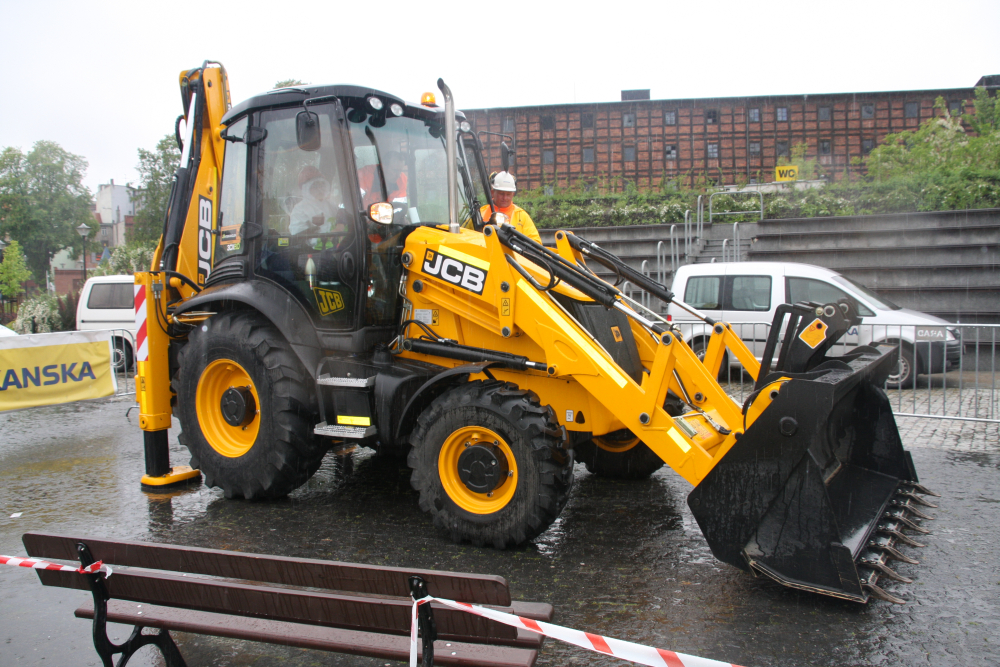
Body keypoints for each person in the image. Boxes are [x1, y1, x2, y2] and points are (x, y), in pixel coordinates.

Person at [478, 171, 540, 242]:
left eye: (508, 194)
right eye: (501, 194)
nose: (505, 198)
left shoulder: (521, 216)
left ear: (513, 194)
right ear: (492, 193)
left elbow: (536, 242)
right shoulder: (481, 213)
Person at [289, 165, 339, 236]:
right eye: (315, 185)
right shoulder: (299, 209)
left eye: (322, 184)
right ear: (306, 188)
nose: (320, 188)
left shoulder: (332, 205)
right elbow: (299, 237)